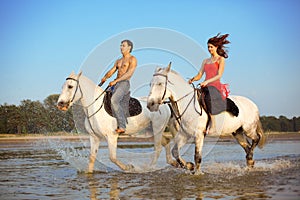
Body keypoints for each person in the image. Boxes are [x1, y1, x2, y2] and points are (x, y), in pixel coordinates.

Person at [189, 33, 231, 135]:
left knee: (207, 99)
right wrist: (192, 79)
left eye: (211, 47)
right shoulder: (205, 61)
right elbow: (200, 74)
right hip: (205, 85)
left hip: (215, 86)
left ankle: (213, 124)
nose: (209, 49)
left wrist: (207, 81)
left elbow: (219, 75)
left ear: (216, 47)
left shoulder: (221, 59)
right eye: (208, 47)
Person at [99, 40, 137, 134]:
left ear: (129, 48)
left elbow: (129, 74)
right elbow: (111, 71)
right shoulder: (118, 61)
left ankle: (122, 126)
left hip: (124, 83)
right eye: (120, 45)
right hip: (115, 83)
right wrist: (105, 77)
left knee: (114, 100)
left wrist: (116, 81)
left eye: (123, 46)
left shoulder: (132, 59)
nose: (121, 47)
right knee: (102, 98)